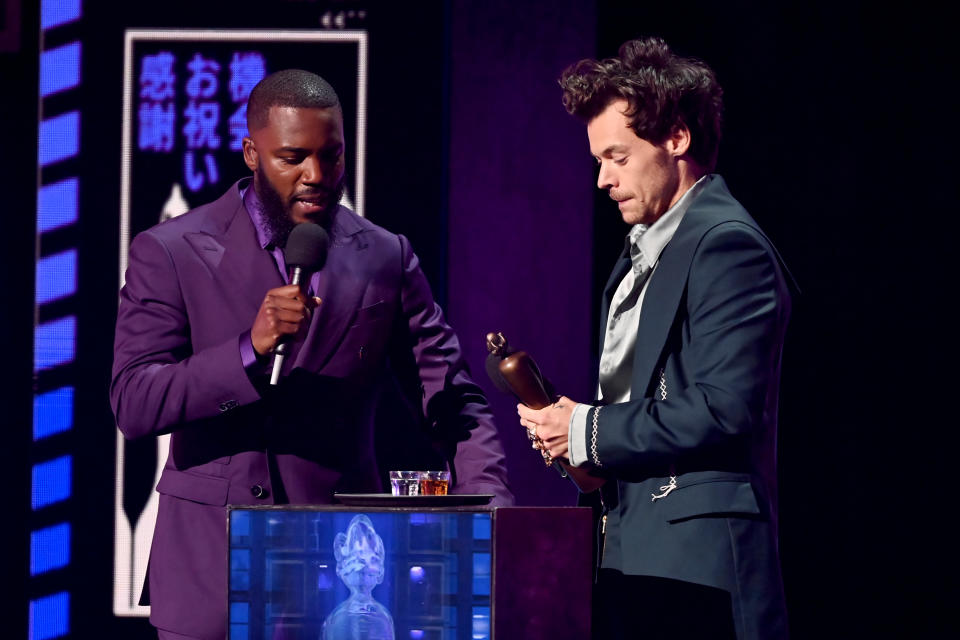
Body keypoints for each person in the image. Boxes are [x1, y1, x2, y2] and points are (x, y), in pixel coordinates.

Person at [111, 69, 513, 640]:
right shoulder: (171, 251)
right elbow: (134, 401)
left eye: (332, 156)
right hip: (212, 573)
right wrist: (247, 351)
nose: (316, 176)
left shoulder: (384, 256)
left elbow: (450, 396)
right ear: (252, 152)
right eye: (293, 157)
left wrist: (492, 507)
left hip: (340, 577)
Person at [517, 37, 792, 639]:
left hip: (696, 568)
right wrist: (584, 453)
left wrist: (588, 429)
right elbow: (640, 403)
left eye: (616, 156)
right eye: (597, 160)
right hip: (628, 553)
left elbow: (726, 408)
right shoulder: (642, 252)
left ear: (676, 138)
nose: (601, 179)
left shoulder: (726, 245)